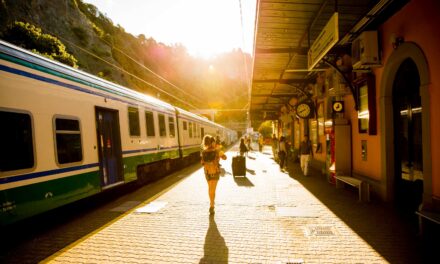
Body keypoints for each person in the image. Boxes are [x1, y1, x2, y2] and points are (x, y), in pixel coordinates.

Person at [201, 135, 227, 215]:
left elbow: (202, 163)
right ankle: (212, 205)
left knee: (210, 188)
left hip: (207, 172)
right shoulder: (217, 151)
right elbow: (225, 158)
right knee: (213, 189)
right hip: (215, 171)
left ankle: (211, 204)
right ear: (212, 142)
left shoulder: (203, 152)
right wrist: (220, 153)